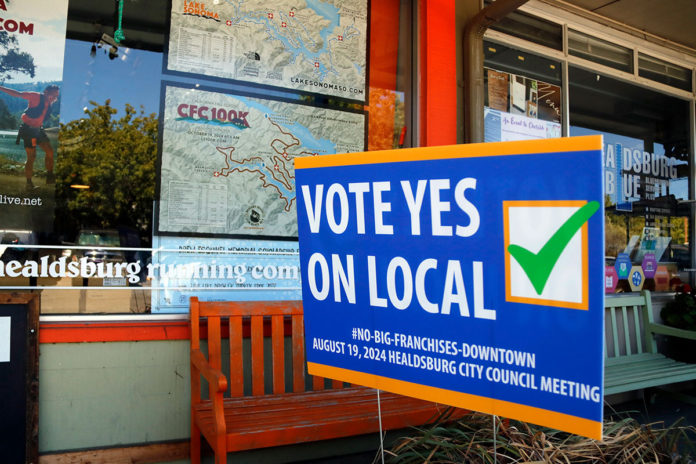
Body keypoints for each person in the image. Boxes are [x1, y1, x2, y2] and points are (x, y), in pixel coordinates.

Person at [0, 84, 59, 190]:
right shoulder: (35, 96)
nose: (54, 98)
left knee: (50, 151)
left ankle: (50, 176)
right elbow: (17, 94)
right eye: (53, 95)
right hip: (28, 130)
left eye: (56, 96)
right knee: (32, 157)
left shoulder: (49, 104)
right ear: (46, 92)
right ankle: (29, 184)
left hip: (38, 130)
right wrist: (1, 87)